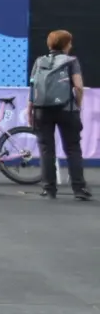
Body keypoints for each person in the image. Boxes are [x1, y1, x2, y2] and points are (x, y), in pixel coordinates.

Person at [28, 30, 91, 200]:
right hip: (66, 110)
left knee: (47, 150)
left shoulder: (40, 61)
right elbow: (78, 86)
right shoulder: (71, 61)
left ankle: (49, 189)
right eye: (69, 42)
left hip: (41, 110)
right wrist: (77, 104)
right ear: (65, 45)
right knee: (72, 148)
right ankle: (78, 189)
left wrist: (30, 110)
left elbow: (33, 88)